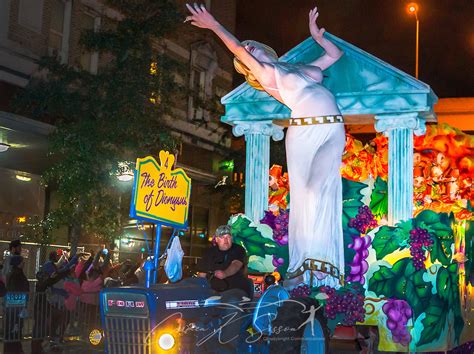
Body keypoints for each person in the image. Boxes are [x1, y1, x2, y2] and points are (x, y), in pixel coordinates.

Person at [185, 3, 345, 289]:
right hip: (304, 133)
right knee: (309, 191)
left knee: (323, 188)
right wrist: (214, 26)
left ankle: (321, 262)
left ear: (263, 46)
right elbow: (236, 49)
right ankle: (310, 263)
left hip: (332, 128)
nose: (248, 48)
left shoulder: (291, 68)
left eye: (251, 45)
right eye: (246, 52)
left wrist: (316, 37)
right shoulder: (268, 75)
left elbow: (336, 55)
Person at [196, 225, 251, 353]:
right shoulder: (209, 253)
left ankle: (228, 347)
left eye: (228, 237)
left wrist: (224, 273)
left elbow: (236, 264)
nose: (226, 240)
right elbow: (202, 274)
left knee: (232, 302)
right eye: (222, 237)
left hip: (235, 290)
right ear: (216, 239)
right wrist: (199, 288)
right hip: (212, 291)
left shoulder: (238, 250)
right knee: (193, 302)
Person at [5, 255, 29, 354]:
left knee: (14, 327)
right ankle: (15, 349)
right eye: (22, 261)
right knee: (15, 327)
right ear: (18, 263)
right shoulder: (17, 274)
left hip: (15, 304)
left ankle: (14, 348)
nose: (24, 263)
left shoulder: (14, 273)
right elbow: (17, 289)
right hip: (17, 305)